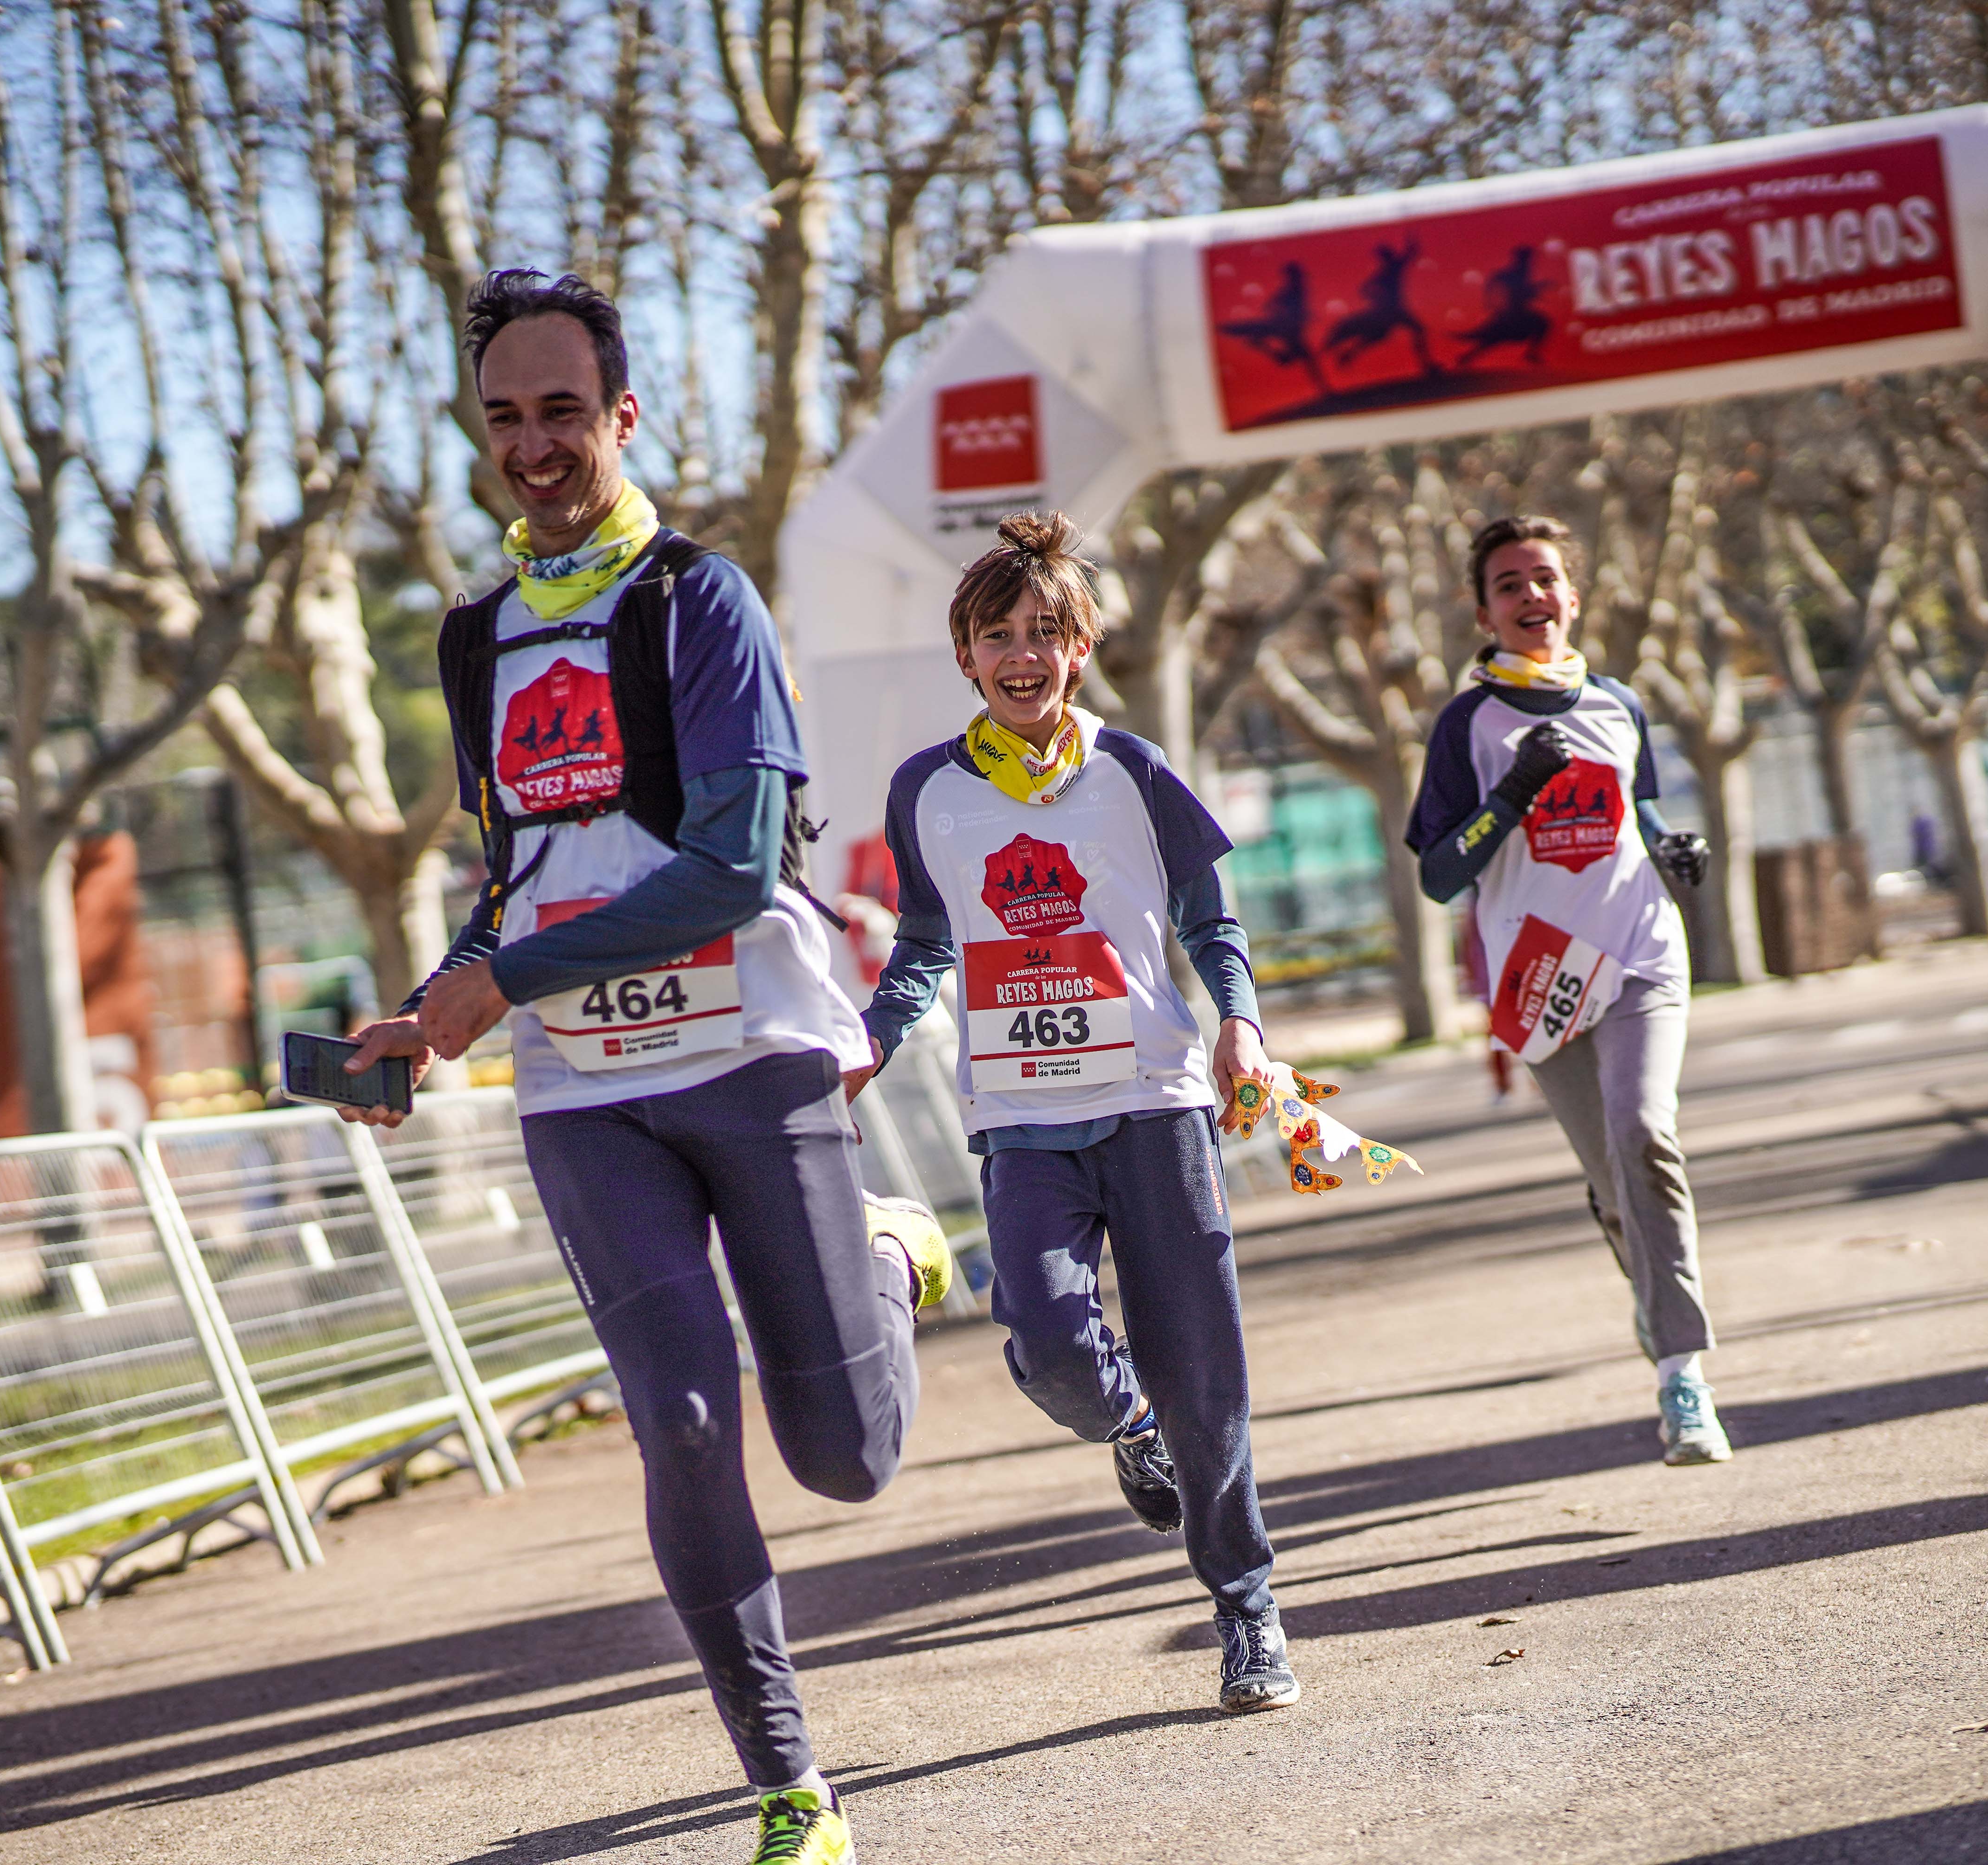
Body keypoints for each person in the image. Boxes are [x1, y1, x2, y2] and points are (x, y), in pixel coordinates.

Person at [339, 269, 948, 1865]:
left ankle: (889, 1252)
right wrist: (425, 1012)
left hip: (752, 1061)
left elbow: (738, 868)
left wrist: (498, 979)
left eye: (561, 412)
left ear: (619, 417)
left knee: (847, 1463)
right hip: (585, 1090)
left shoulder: (698, 601)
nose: (532, 446)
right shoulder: (475, 637)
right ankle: (789, 1785)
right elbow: (520, 878)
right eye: (503, 418)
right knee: (680, 1419)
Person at [851, 511, 1298, 1715]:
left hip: (1157, 1107)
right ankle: (1127, 1418)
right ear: (966, 655)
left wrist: (1241, 1021)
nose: (1023, 654)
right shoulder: (927, 793)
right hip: (1023, 1120)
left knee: (1210, 1381)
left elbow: (1212, 925)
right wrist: (870, 1043)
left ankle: (1246, 1610)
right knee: (1043, 1333)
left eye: (1046, 631)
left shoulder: (1135, 773)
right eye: (999, 633)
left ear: (1082, 648)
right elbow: (923, 950)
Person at [1402, 515, 1733, 1466]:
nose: (1531, 595)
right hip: (1541, 981)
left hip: (1637, 953)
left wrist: (1676, 846)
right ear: (1484, 611)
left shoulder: (1619, 703)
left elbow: (1645, 810)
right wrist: (1509, 799)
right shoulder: (1471, 724)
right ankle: (1658, 1309)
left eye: (1545, 577)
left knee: (1644, 1134)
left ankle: (1682, 1375)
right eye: (1509, 584)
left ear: (1573, 596)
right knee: (1616, 1182)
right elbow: (1436, 874)